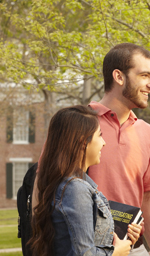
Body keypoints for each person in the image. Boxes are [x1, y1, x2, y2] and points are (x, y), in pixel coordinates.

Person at [29, 105, 141, 256]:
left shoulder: (73, 184)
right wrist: (116, 252)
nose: (104, 143)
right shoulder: (75, 189)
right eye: (99, 135)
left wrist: (124, 236)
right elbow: (85, 253)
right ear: (83, 141)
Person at [85, 43, 150, 256]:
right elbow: (44, 185)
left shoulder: (148, 133)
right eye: (145, 75)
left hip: (135, 249)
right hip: (89, 249)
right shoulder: (78, 123)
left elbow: (148, 194)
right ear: (119, 77)